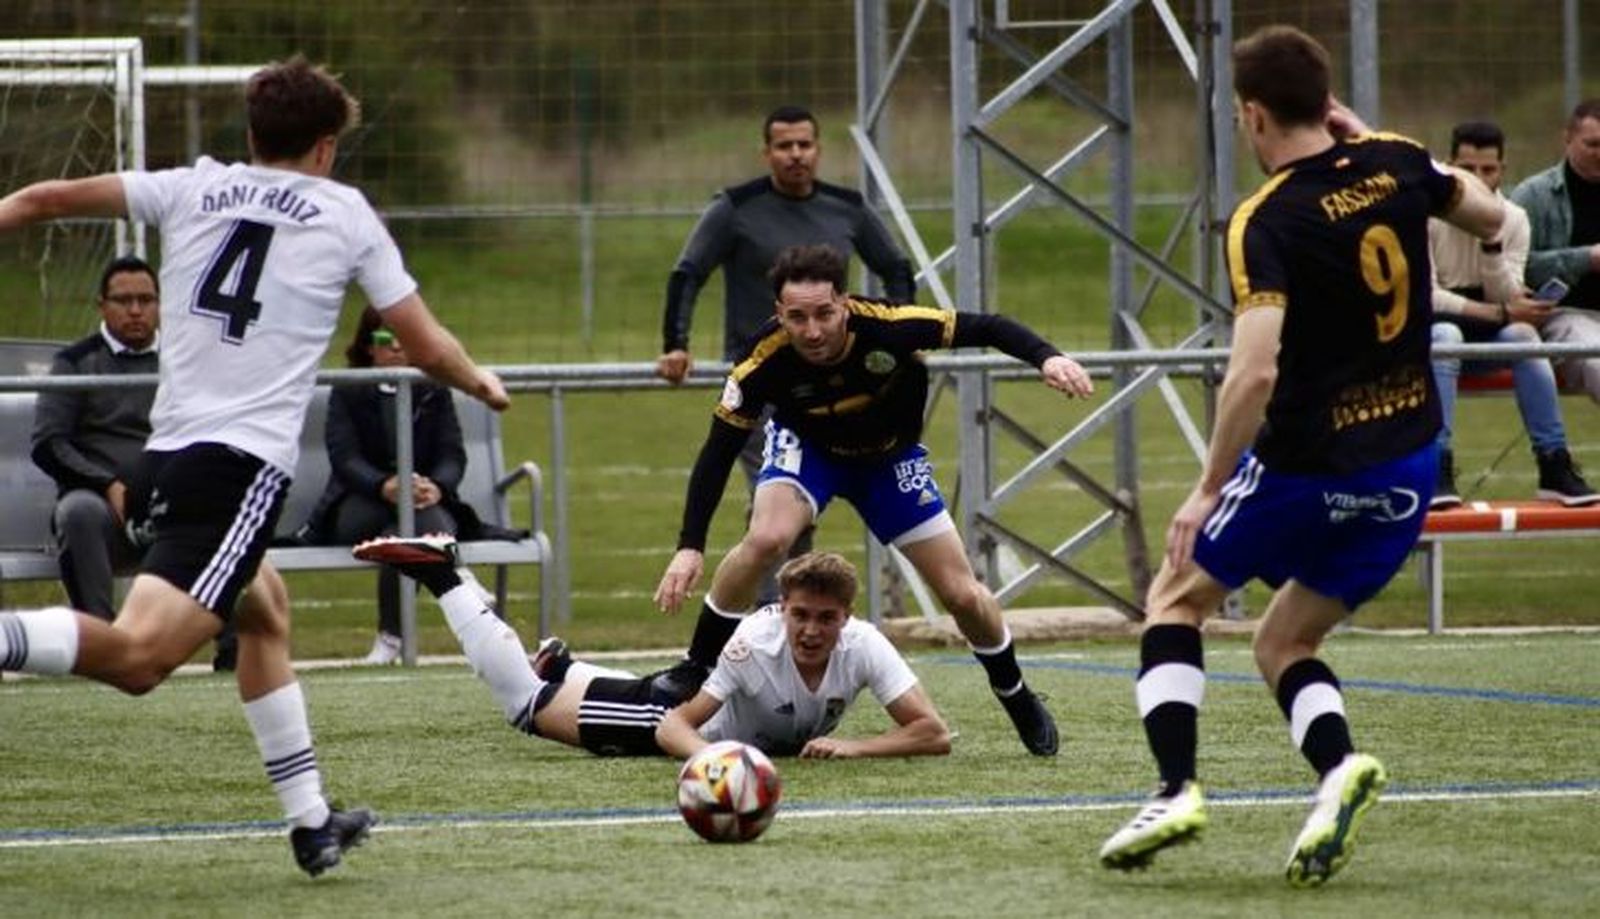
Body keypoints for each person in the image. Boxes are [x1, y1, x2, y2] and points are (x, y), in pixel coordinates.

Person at [0, 56, 508, 877]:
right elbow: (419, 340)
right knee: (139, 659)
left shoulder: (190, 186)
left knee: (264, 609)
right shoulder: (344, 213)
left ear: (249, 135)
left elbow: (42, 200)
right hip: (236, 471)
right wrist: (477, 378)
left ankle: (312, 822)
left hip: (165, 457)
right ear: (326, 147)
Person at [1096, 26, 1504, 887]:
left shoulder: (1264, 219)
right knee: (1285, 639)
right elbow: (1489, 213)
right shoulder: (1394, 159)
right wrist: (1375, 150)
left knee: (1173, 598)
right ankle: (1337, 770)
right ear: (1329, 103)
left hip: (1308, 462)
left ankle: (1175, 787)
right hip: (1405, 467)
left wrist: (1208, 487)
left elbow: (1254, 371)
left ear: (1250, 114)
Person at [652, 243, 1095, 757]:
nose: (813, 331)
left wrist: (1048, 356)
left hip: (887, 460)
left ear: (844, 302)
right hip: (810, 451)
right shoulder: (760, 361)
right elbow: (717, 452)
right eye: (797, 317)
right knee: (767, 537)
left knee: (962, 594)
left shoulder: (890, 325)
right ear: (779, 314)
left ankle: (1014, 693)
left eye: (824, 313)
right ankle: (696, 665)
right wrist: (690, 546)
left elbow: (988, 326)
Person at [352, 536, 951, 760]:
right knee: (526, 705)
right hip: (681, 712)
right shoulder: (752, 644)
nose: (812, 630)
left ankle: (565, 663)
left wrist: (856, 747)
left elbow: (933, 732)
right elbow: (673, 725)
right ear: (783, 609)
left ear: (846, 619)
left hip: (692, 703)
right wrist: (718, 764)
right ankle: (443, 578)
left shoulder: (865, 643)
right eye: (800, 615)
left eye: (826, 619)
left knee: (569, 684)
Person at [657, 105, 917, 604]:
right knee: (778, 505)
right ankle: (772, 617)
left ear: (818, 150)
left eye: (804, 145)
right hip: (768, 388)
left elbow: (897, 267)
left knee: (860, 491)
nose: (795, 155)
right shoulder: (736, 208)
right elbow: (687, 272)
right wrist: (676, 342)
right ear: (767, 152)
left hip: (841, 384)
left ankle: (798, 615)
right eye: (784, 146)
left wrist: (893, 338)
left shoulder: (849, 208)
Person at [29, 256, 243, 670]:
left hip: (176, 502)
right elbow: (48, 443)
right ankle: (102, 649)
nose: (135, 310)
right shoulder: (74, 363)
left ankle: (234, 648)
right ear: (102, 306)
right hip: (105, 506)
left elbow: (216, 429)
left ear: (161, 304)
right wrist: (107, 484)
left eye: (146, 299)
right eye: (123, 300)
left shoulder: (186, 363)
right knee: (77, 512)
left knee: (223, 507)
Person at [1427, 121, 1596, 507]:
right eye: (1467, 169)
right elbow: (1427, 299)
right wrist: (1501, 311)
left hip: (1489, 333)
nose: (1477, 179)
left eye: (1488, 170)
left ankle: (1553, 463)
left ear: (1502, 170)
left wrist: (1491, 243)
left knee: (1525, 339)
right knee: (1448, 336)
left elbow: (1508, 295)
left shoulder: (1514, 218)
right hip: (1431, 338)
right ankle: (1436, 464)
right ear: (1449, 166)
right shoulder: (1426, 215)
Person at [296, 306, 475, 665]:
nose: (395, 347)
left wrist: (436, 486)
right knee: (409, 523)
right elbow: (345, 458)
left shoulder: (432, 390)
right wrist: (384, 486)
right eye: (383, 339)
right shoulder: (348, 390)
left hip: (425, 504)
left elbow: (452, 454)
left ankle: (390, 639)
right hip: (357, 506)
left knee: (402, 535)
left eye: (403, 339)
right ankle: (458, 574)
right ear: (367, 347)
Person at [1510, 98, 1600, 403]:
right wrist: (1587, 259)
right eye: (1593, 145)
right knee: (1596, 359)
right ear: (1567, 139)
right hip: (1567, 315)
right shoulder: (1533, 195)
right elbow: (1516, 269)